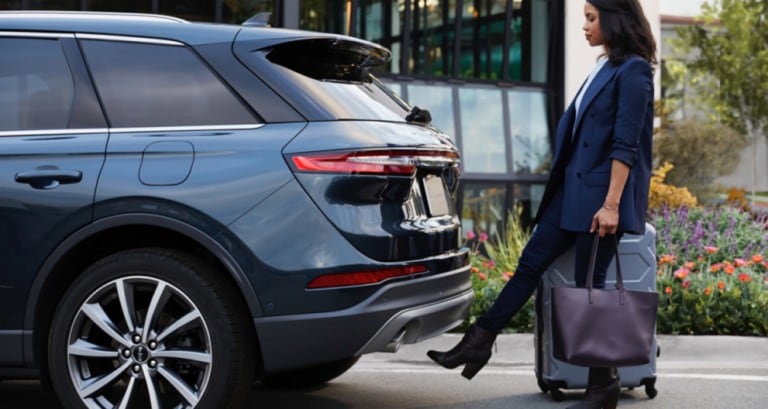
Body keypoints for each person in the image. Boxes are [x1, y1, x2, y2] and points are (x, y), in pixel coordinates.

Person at [427, 1, 657, 408]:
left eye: (591, 17)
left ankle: (603, 385)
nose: (584, 26)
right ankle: (479, 340)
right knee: (529, 266)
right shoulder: (604, 67)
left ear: (615, 18)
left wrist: (611, 205)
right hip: (571, 197)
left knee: (592, 290)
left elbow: (627, 144)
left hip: (600, 203)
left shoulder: (634, 70)